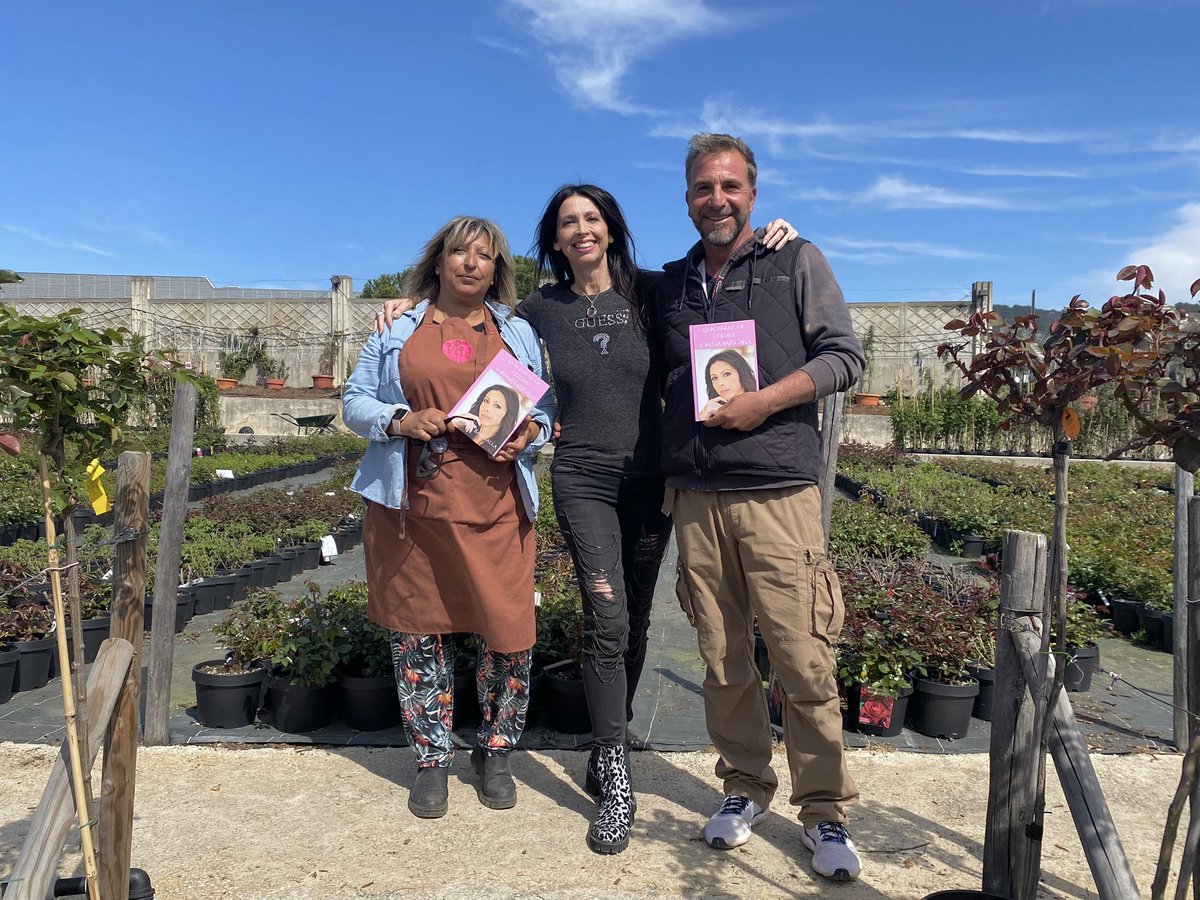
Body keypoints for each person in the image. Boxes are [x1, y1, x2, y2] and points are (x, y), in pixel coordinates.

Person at [376, 188, 797, 856]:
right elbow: (474, 332)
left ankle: (608, 749)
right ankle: (617, 774)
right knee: (605, 617)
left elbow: (727, 287)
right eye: (568, 222)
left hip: (650, 477)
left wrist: (769, 242)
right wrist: (409, 307)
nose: (581, 230)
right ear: (555, 237)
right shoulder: (538, 310)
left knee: (633, 623)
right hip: (583, 477)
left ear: (611, 229)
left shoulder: (653, 290)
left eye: (592, 219)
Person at [653, 134, 866, 882]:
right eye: (703, 188)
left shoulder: (793, 260)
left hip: (777, 493)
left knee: (805, 655)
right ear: (686, 199)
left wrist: (764, 403)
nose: (718, 200)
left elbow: (844, 357)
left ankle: (825, 809)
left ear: (753, 193)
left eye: (731, 187)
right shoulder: (671, 283)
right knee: (722, 657)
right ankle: (744, 788)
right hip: (699, 499)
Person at [343, 215, 553, 821]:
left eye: (484, 257)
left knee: (508, 635)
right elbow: (354, 400)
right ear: (438, 261)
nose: (470, 264)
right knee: (417, 635)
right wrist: (398, 421)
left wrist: (531, 433)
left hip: (497, 509)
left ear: (497, 270)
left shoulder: (517, 333)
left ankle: (496, 751)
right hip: (414, 511)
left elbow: (545, 408)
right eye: (459, 252)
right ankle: (432, 758)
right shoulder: (398, 326)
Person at [454, 384, 521, 455]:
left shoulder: (502, 448)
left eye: (497, 406)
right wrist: (453, 422)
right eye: (486, 401)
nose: (487, 409)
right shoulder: (463, 427)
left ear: (507, 414)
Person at [699, 349, 756, 421]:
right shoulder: (710, 413)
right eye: (714, 378)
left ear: (741, 373)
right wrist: (702, 416)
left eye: (726, 374)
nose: (720, 383)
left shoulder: (760, 404)